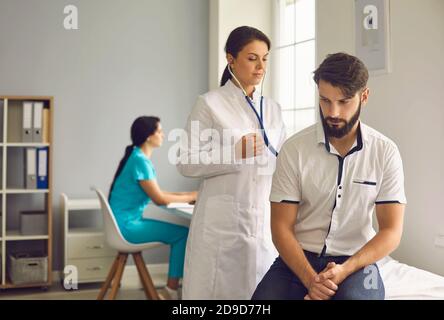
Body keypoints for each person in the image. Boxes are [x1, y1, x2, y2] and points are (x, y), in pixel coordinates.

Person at [252, 52, 407, 300]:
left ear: (364, 96)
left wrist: (345, 269)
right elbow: (281, 227)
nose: (332, 112)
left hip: (357, 262)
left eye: (344, 102)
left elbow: (391, 231)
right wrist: (311, 280)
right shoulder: (294, 150)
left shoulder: (385, 152)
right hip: (298, 258)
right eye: (325, 100)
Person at [176, 26, 286, 299]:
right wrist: (233, 152)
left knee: (258, 294)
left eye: (265, 58)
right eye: (252, 58)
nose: (260, 67)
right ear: (231, 59)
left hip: (262, 223)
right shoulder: (209, 104)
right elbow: (186, 162)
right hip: (220, 229)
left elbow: (282, 160)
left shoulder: (272, 109)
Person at [109, 116, 197, 300]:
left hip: (122, 223)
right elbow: (159, 199)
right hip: (127, 227)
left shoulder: (136, 157)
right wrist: (193, 196)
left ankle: (172, 290)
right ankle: (171, 291)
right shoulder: (140, 160)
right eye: (159, 131)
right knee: (183, 234)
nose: (163, 135)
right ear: (149, 136)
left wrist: (187, 195)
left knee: (182, 231)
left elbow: (158, 192)